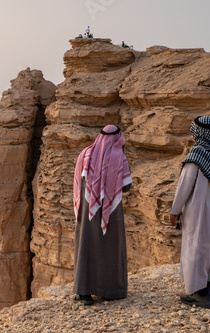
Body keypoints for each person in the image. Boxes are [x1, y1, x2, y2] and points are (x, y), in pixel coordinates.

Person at [169, 116, 210, 309]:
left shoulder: (198, 154)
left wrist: (174, 211)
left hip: (199, 211)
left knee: (197, 249)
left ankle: (200, 295)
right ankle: (206, 290)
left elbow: (185, 184)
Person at [73, 125, 132, 306]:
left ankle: (83, 292)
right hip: (110, 213)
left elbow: (77, 180)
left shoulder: (85, 153)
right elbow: (126, 186)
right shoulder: (118, 157)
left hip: (87, 210)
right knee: (110, 248)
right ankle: (110, 291)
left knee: (86, 246)